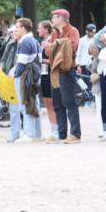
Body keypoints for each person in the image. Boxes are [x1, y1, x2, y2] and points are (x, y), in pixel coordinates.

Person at [43, 8, 81, 144]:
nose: (52, 20)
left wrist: (53, 46)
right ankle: (62, 133)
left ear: (61, 18)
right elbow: (47, 52)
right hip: (55, 70)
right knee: (57, 103)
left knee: (70, 102)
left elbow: (71, 47)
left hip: (67, 70)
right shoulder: (54, 34)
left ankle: (75, 134)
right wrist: (54, 46)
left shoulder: (73, 31)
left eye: (54, 17)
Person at [9, 18, 41, 142]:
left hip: (25, 78)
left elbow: (21, 63)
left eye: (17, 27)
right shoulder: (33, 40)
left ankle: (28, 134)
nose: (15, 30)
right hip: (33, 76)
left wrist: (15, 74)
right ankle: (36, 134)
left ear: (23, 28)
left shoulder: (25, 42)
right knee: (34, 103)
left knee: (25, 104)